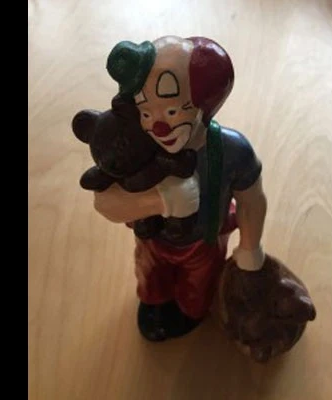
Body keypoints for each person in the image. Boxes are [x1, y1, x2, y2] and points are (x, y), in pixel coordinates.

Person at [94, 36, 268, 341]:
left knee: (197, 291)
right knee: (151, 280)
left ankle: (191, 311)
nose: (158, 125)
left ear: (205, 103)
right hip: (152, 241)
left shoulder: (231, 151)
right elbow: (104, 202)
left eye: (173, 111)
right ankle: (155, 302)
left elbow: (251, 200)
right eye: (147, 113)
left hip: (204, 242)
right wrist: (158, 201)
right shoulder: (133, 145)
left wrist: (250, 248)